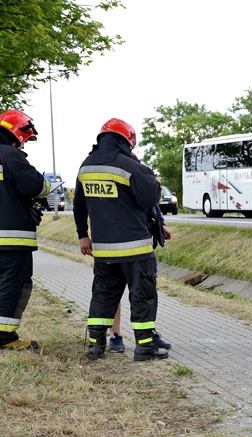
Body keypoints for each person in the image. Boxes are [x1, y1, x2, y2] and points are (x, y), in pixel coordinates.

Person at [73, 118, 168, 361]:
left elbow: (79, 205)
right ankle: (145, 347)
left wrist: (83, 234)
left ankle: (96, 346)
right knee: (142, 295)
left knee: (103, 296)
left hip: (104, 251)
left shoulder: (86, 166)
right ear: (127, 141)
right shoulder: (127, 165)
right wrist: (156, 184)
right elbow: (150, 198)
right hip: (135, 248)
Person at [0, 110, 51, 350]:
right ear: (17, 132)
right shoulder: (10, 155)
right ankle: (5, 337)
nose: (23, 145)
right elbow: (37, 186)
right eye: (25, 140)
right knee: (14, 284)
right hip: (11, 238)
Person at [109, 175, 173, 353]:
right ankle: (115, 335)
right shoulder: (107, 166)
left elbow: (150, 202)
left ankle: (147, 333)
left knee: (146, 289)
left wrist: (160, 223)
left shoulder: (137, 167)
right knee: (113, 291)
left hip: (140, 241)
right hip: (113, 240)